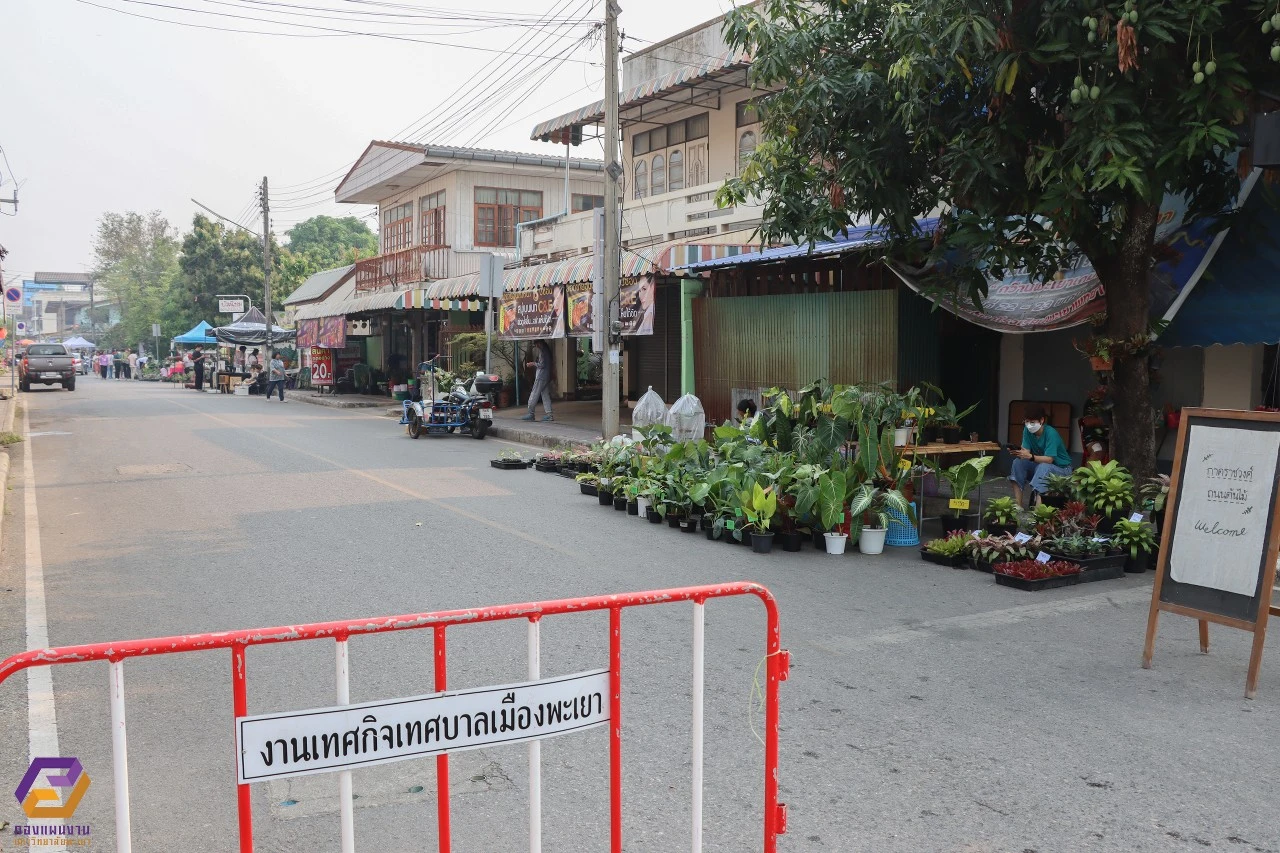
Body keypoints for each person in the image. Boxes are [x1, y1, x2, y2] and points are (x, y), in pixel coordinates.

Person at [1009, 403, 1074, 507]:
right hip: (1040, 467)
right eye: (1026, 421)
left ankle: (1038, 512)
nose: (1029, 425)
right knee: (1018, 463)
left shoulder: (1051, 433)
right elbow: (1026, 452)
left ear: (1042, 420)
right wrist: (1019, 453)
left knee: (1044, 467)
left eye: (1032, 422)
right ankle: (1018, 507)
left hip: (1062, 471)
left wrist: (1031, 456)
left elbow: (1049, 460)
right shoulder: (1027, 430)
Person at [520, 339, 553, 422]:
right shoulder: (546, 350)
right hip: (546, 376)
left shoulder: (544, 351)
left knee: (534, 394)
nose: (536, 346)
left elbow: (542, 364)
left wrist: (532, 364)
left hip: (541, 376)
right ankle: (549, 415)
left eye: (536, 344)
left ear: (540, 343)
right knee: (545, 395)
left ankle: (531, 413)